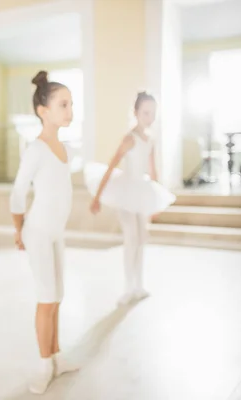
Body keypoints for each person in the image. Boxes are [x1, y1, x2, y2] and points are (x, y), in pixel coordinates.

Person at [10, 71, 79, 395]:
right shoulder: (36, 148)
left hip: (56, 234)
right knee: (46, 298)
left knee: (58, 297)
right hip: (37, 232)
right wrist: (18, 229)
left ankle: (57, 356)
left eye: (71, 104)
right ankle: (43, 366)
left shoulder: (63, 147)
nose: (70, 110)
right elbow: (18, 192)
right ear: (43, 111)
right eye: (63, 104)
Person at [85, 91, 176, 305]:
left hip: (142, 191)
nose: (149, 117)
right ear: (135, 113)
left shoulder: (150, 140)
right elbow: (111, 166)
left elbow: (153, 172)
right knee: (131, 239)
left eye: (153, 113)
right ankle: (128, 287)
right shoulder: (129, 138)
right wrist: (97, 197)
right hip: (126, 191)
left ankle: (139, 284)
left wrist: (155, 200)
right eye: (145, 112)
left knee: (141, 239)